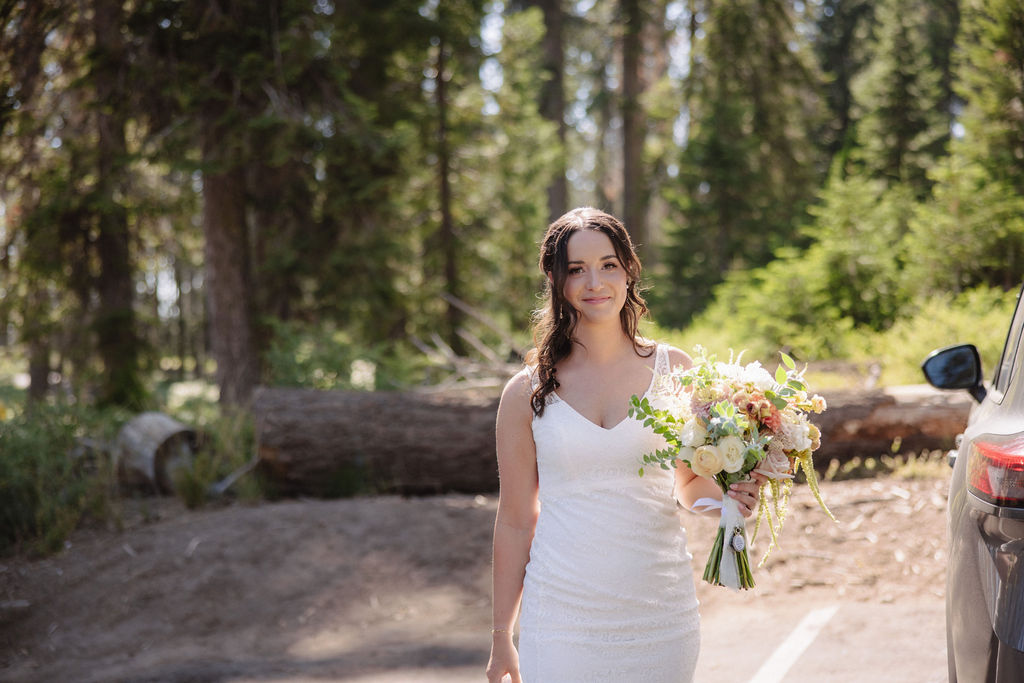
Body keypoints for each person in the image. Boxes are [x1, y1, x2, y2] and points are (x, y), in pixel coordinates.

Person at [485, 207, 764, 683]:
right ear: (556, 281)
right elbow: (515, 520)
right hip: (559, 619)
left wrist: (727, 504)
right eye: (576, 269)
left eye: (608, 264)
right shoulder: (526, 392)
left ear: (629, 270)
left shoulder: (675, 370)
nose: (595, 282)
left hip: (659, 613)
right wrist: (500, 638)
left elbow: (688, 481)